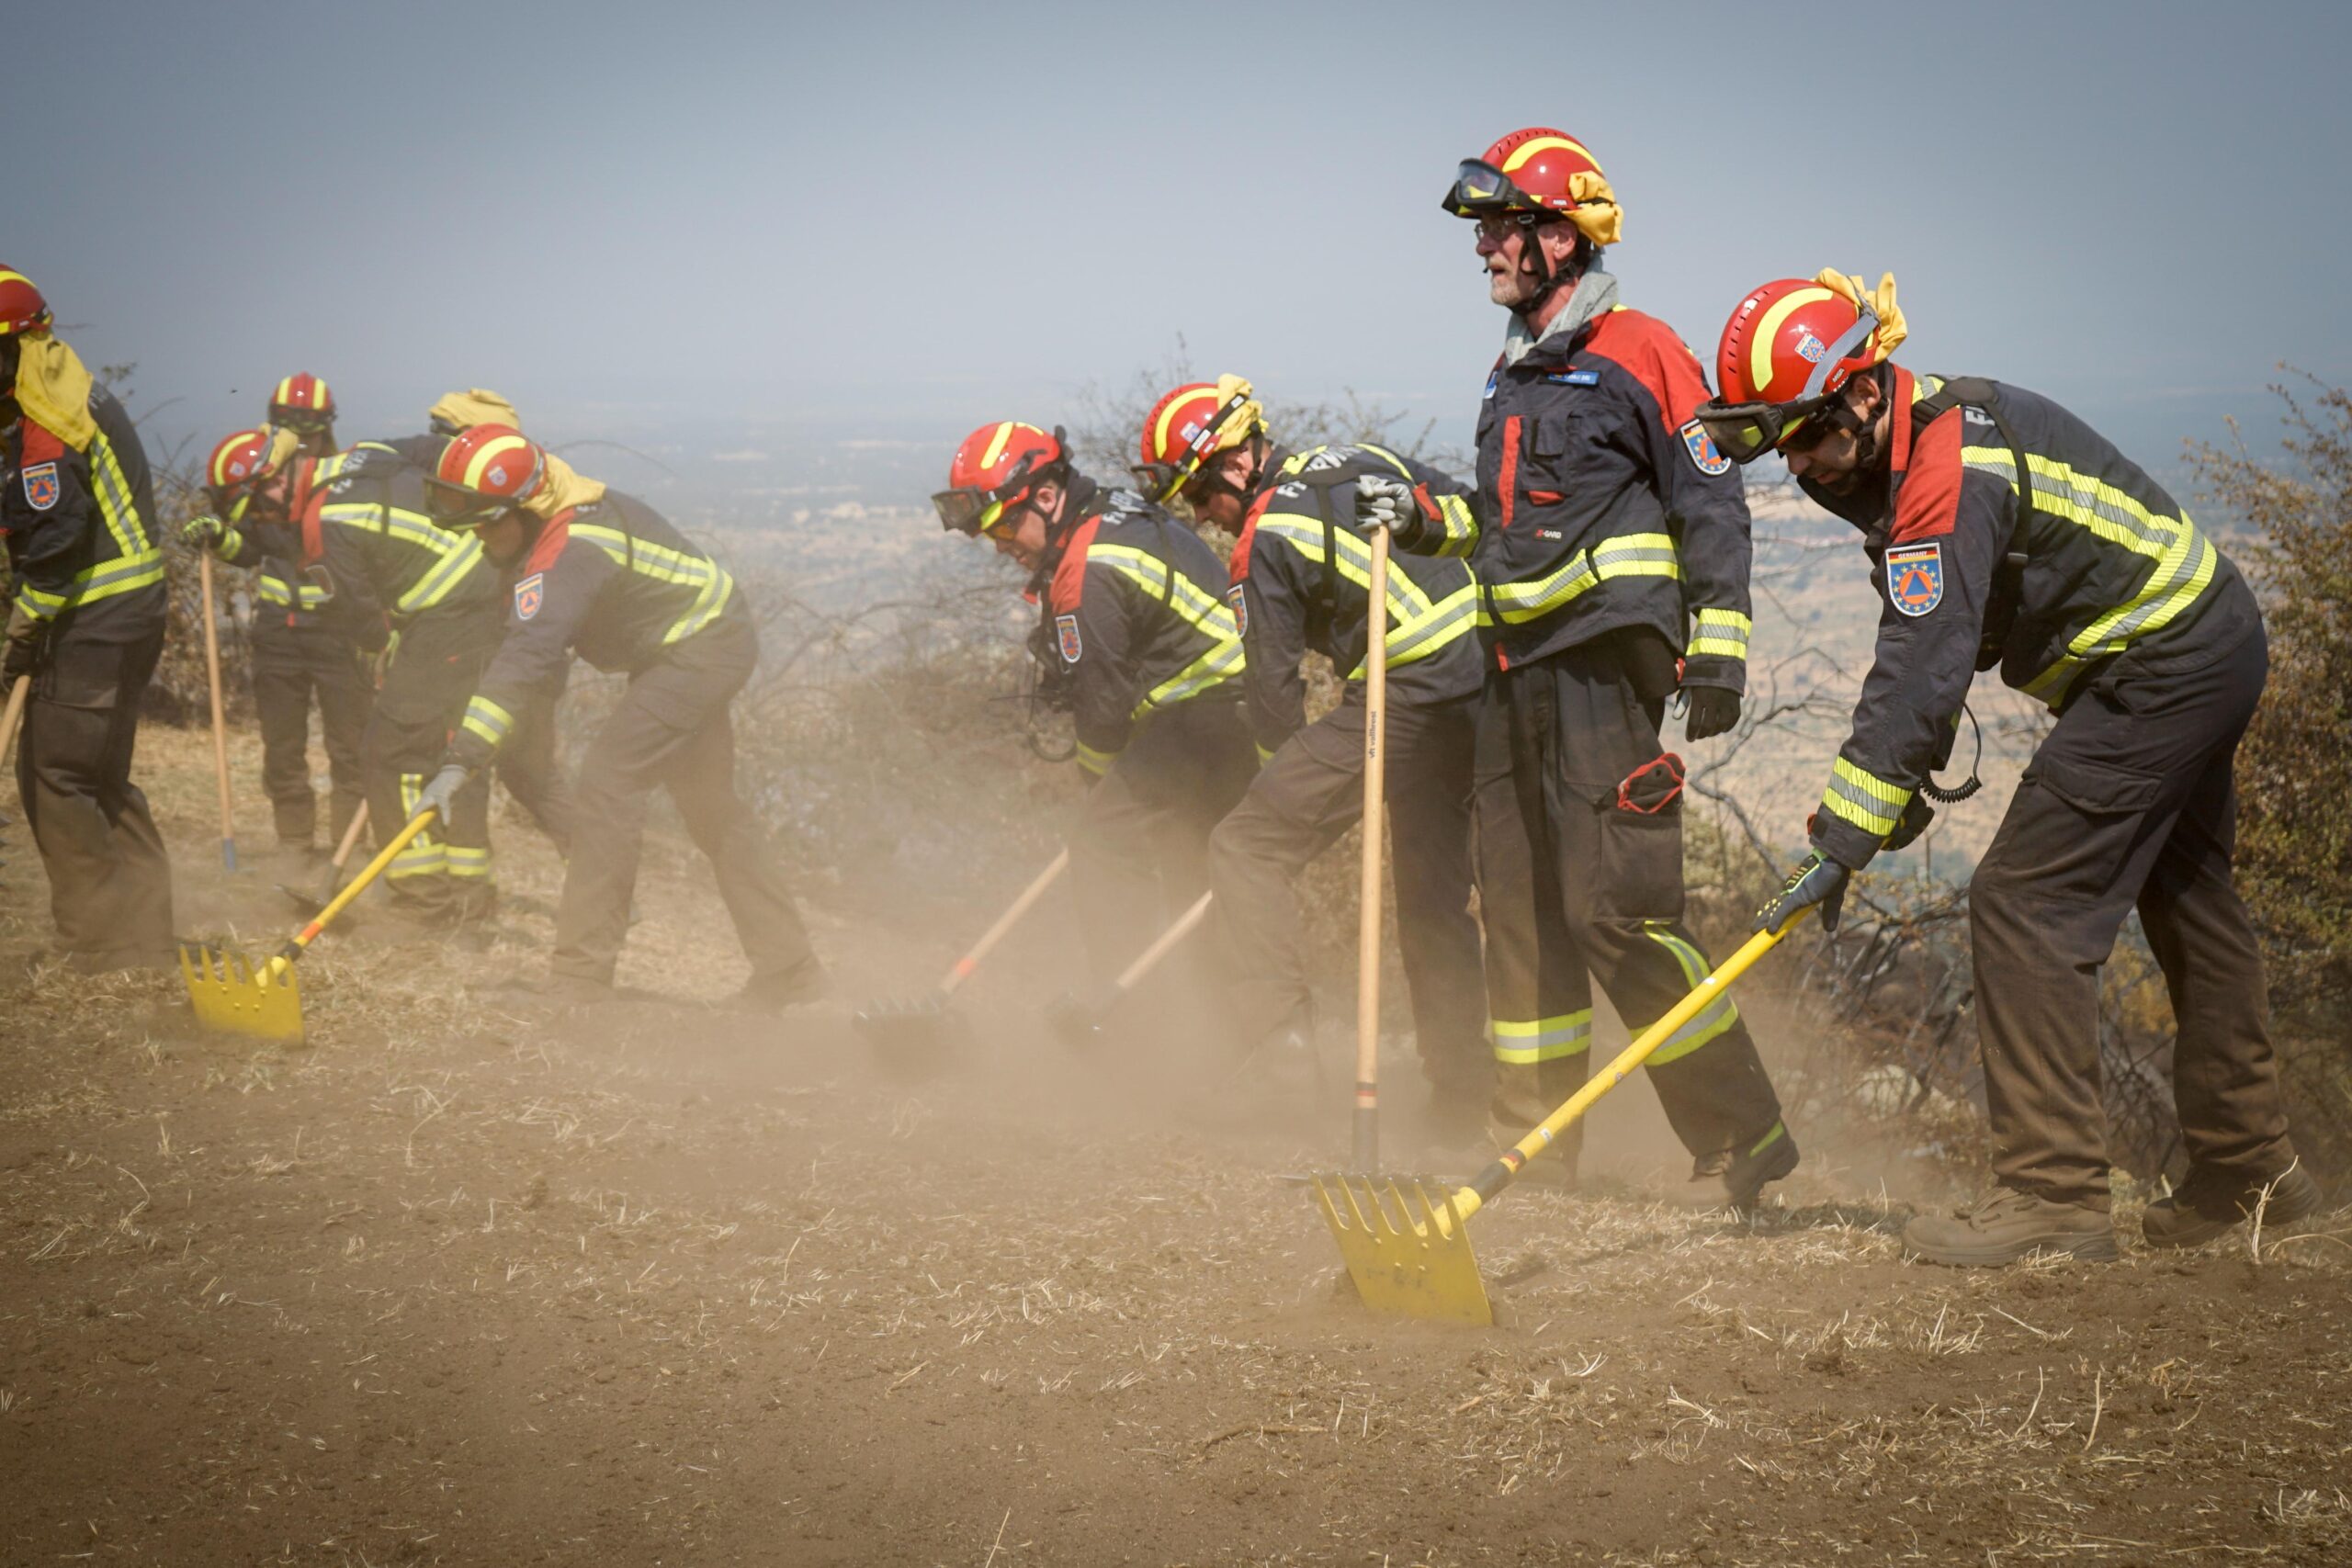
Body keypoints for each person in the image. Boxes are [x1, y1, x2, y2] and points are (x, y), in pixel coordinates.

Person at [1708, 270, 2320, 1263]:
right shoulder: (1920, 441)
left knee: (2024, 903)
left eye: (1810, 433)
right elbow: (1946, 646)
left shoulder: (1946, 476)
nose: (1803, 465)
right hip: (2208, 639)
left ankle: (2052, 1195)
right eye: (1779, 446)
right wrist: (1892, 796)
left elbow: (1918, 669)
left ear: (1864, 390)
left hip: (2160, 664)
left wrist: (1839, 839)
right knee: (2191, 900)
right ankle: (2253, 1176)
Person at [1359, 130, 1794, 1206]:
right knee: (1518, 913)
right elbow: (1498, 528)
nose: (1484, 252)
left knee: (1613, 911)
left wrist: (1722, 643)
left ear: (1560, 235)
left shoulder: (1643, 348)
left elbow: (1710, 498)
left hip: (1606, 664)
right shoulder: (1510, 374)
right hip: (1511, 673)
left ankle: (1745, 1133)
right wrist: (1419, 515)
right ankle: (1535, 1145)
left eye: (1499, 230)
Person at [1134, 377, 1488, 1130]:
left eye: (1199, 495)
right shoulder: (1358, 456)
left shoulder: (1263, 537)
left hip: (1408, 692)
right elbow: (1470, 512)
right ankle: (1461, 1099)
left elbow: (1272, 693)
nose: (1201, 517)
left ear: (1233, 464)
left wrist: (1285, 778)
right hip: (1488, 678)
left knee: (1246, 843)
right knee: (1433, 904)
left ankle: (1284, 1051)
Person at [419, 424, 822, 1011]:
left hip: (701, 648)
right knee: (711, 808)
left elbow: (527, 655)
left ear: (524, 510)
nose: (478, 538)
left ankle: (580, 983)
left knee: (608, 783)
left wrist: (460, 761)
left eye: (485, 522)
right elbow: (532, 655)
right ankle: (795, 975)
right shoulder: (548, 515)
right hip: (692, 645)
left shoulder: (572, 549)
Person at [934, 421, 1257, 996]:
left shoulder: (1087, 568)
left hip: (1210, 714)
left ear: (1048, 496)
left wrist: (1099, 780)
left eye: (1006, 523)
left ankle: (1128, 1009)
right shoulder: (1107, 514)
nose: (1003, 544)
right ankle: (1220, 1023)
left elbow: (1102, 703)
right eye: (989, 534)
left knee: (1101, 842)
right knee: (1190, 863)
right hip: (1227, 712)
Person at [200, 431, 506, 919]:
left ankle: (421, 902)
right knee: (439, 745)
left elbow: (359, 616)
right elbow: (434, 449)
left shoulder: (327, 526)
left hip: (452, 613)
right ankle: (468, 895)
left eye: (257, 508)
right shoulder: (363, 455)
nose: (264, 520)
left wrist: (382, 653)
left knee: (391, 751)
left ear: (275, 481)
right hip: (480, 592)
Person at [0, 265, 175, 970]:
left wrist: (22, 632)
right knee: (100, 776)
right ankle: (146, 934)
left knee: (58, 775)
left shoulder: (47, 421)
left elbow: (53, 546)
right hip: (127, 613)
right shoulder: (65, 385)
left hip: (95, 617)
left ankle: (100, 942)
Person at [188, 425, 369, 852]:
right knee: (282, 748)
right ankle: (294, 847)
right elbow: (250, 548)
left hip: (338, 636)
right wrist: (218, 538)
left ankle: (349, 852)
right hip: (278, 636)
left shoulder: (337, 495)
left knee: (350, 747)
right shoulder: (267, 497)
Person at [267, 372, 337, 458]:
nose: (295, 442)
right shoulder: (257, 465)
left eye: (306, 436)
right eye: (287, 436)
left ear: (325, 433)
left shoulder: (342, 469)